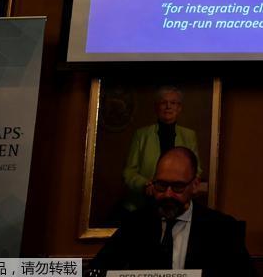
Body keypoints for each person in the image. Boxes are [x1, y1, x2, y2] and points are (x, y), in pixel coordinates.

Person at [92, 147, 254, 277]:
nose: (168, 194)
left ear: (195, 185)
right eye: (161, 185)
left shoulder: (222, 228)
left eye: (177, 187)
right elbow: (95, 269)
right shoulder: (134, 224)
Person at [122, 86, 201, 212]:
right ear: (156, 107)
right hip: (144, 203)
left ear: (179, 108)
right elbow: (129, 172)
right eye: (164, 102)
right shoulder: (141, 134)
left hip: (178, 202)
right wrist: (145, 184)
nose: (168, 106)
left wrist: (182, 187)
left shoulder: (189, 135)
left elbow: (196, 170)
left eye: (173, 103)